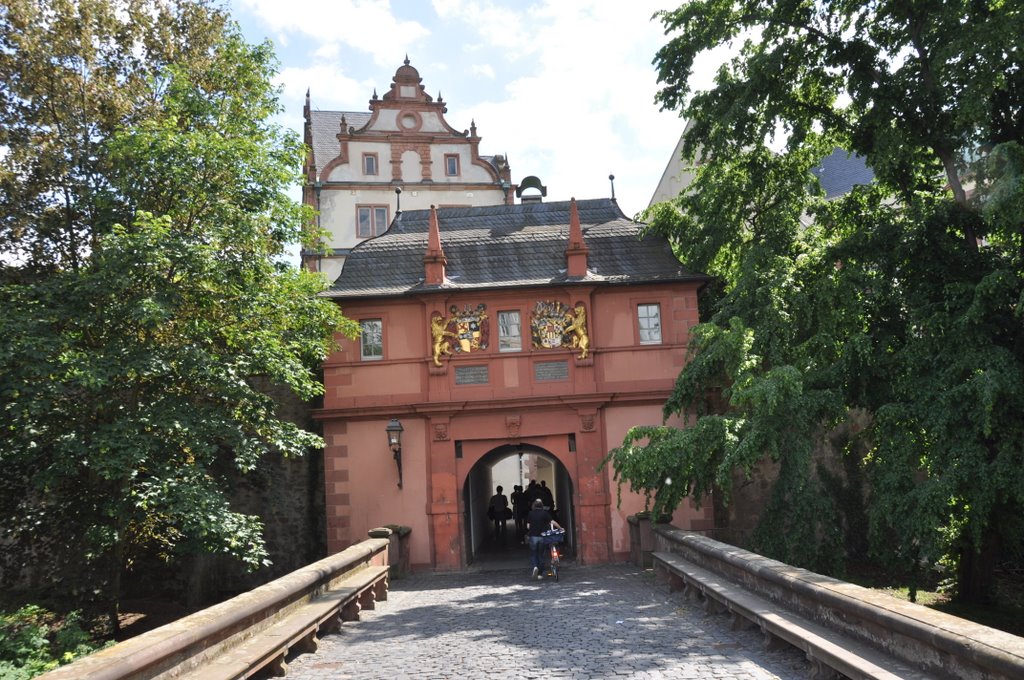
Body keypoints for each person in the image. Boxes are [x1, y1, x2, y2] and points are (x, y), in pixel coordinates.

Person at [527, 498, 561, 580]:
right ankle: (540, 574)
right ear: (542, 505)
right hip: (542, 536)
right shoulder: (545, 513)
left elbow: (528, 526)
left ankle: (535, 567)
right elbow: (552, 522)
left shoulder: (530, 513)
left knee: (534, 554)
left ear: (534, 505)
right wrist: (560, 528)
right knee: (541, 554)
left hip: (533, 536)